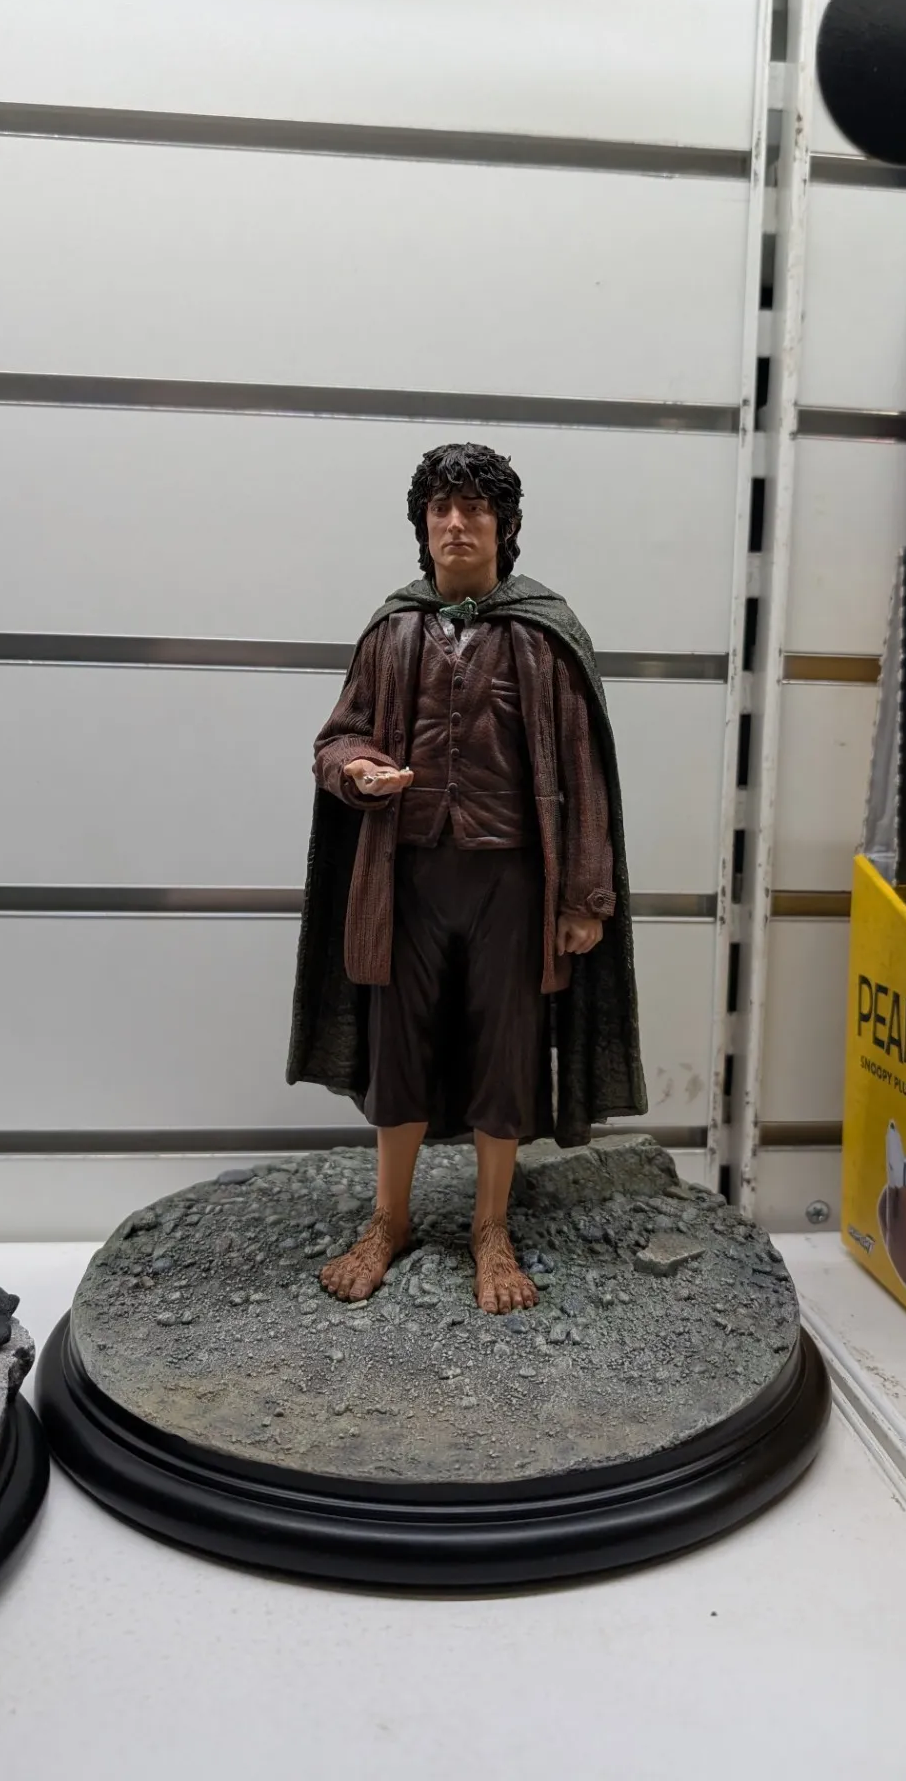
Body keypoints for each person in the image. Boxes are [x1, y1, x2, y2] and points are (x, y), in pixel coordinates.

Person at [287, 443, 645, 1312]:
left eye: (474, 509)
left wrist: (585, 898)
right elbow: (337, 739)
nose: (456, 524)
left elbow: (585, 774)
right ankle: (389, 1219)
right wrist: (358, 771)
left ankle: (491, 1228)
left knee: (506, 1053)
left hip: (512, 886)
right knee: (397, 1051)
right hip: (406, 879)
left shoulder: (544, 635)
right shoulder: (393, 631)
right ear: (422, 525)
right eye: (441, 509)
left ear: (503, 526)